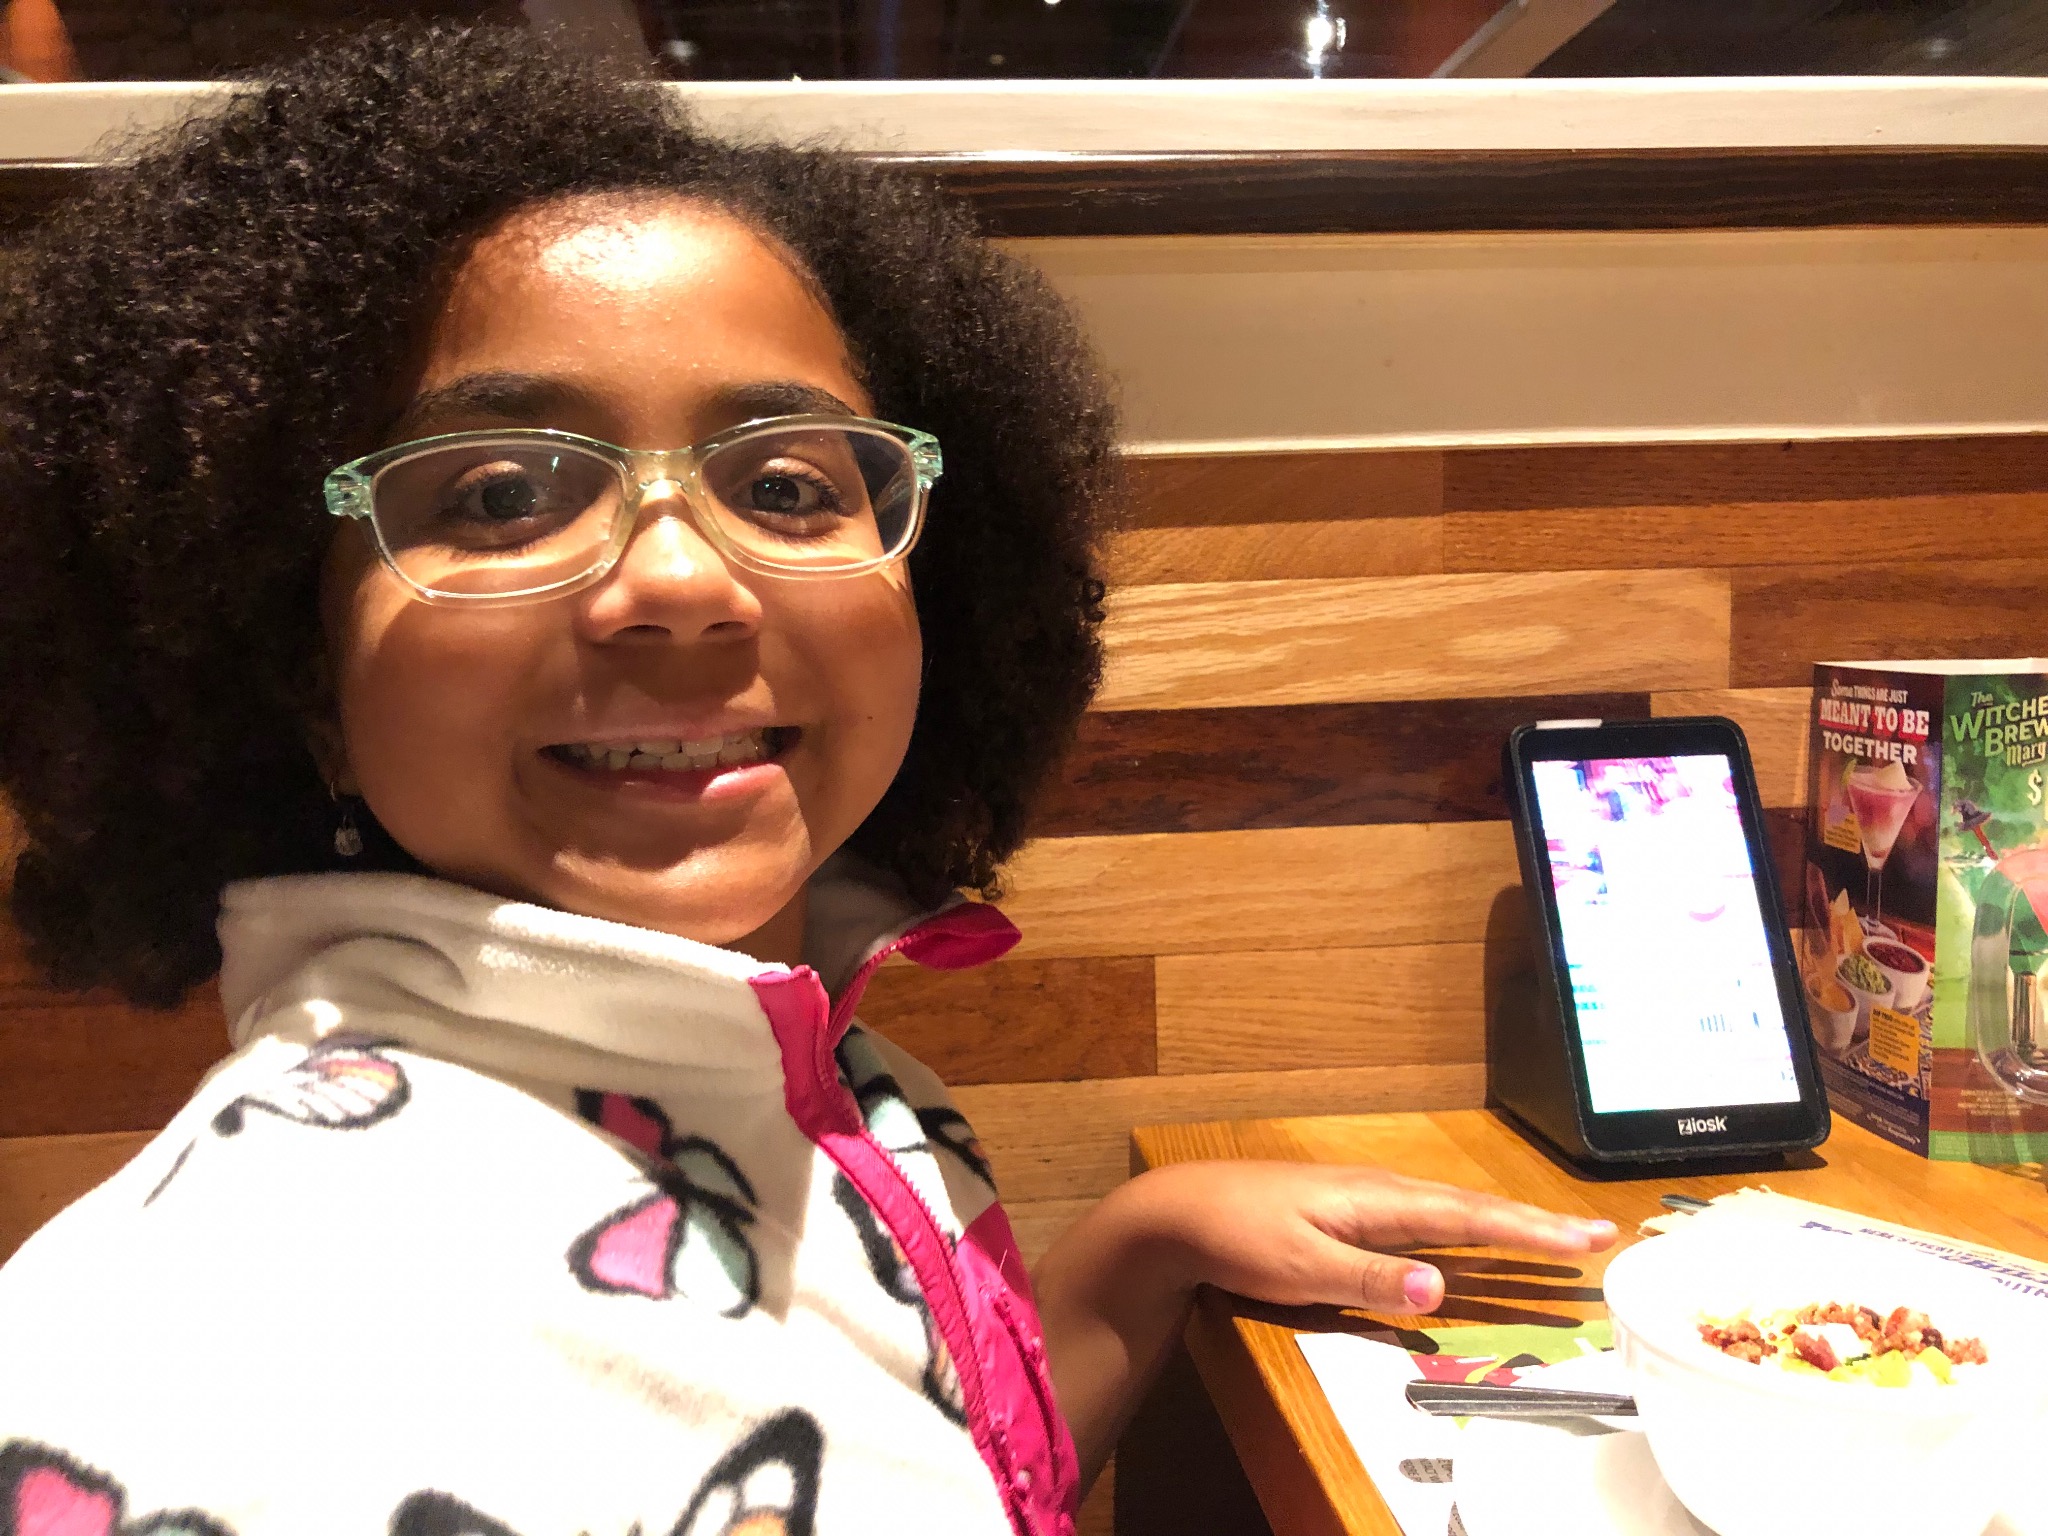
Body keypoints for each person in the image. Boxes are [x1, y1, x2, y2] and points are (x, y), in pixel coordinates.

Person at [0, 26, 1615, 1536]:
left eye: (783, 483)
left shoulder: (830, 1065)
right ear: (295, 665)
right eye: (497, 494)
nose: (683, 581)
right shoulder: (230, 1325)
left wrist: (1142, 1252)